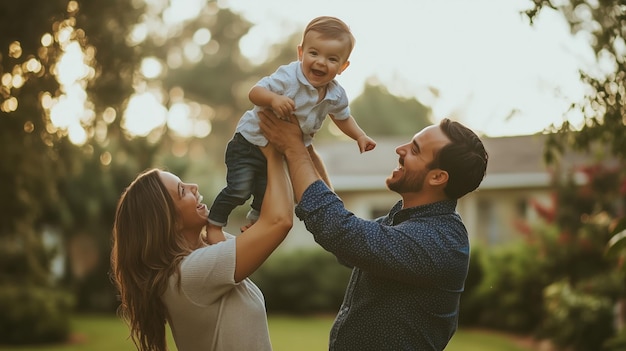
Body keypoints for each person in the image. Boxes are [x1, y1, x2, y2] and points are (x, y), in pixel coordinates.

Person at [258, 109, 489, 350]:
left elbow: (340, 231)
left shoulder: (438, 239)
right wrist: (305, 147)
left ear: (438, 177)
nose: (400, 149)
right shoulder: (404, 223)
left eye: (415, 150)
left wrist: (293, 148)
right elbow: (346, 239)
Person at [110, 144, 293, 351]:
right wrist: (277, 151)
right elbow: (279, 222)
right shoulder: (188, 275)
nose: (193, 186)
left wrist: (217, 231)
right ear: (170, 221)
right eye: (182, 191)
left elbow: (273, 219)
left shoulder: (205, 252)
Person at [207, 16, 376, 238]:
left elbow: (343, 118)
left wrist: (360, 136)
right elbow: (254, 93)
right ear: (300, 53)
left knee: (268, 195)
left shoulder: (336, 94)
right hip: (249, 143)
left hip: (277, 151)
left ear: (343, 66)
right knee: (240, 190)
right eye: (314, 53)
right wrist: (273, 100)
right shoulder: (289, 77)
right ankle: (213, 223)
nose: (321, 62)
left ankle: (254, 224)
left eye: (332, 58)